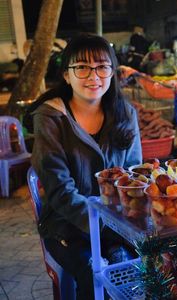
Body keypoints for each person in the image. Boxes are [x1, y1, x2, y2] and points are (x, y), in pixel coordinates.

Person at [29, 33, 142, 299]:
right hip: (66, 223)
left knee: (131, 269)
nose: (94, 76)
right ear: (67, 75)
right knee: (94, 274)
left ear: (112, 72)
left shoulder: (125, 113)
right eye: (81, 67)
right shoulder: (50, 117)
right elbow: (59, 190)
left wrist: (125, 225)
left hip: (116, 224)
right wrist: (103, 225)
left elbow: (134, 174)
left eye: (102, 66)